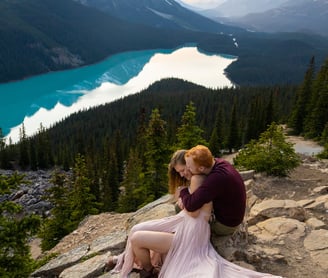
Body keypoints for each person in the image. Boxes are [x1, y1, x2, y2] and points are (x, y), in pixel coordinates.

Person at [107, 149, 191, 277]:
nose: (181, 175)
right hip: (179, 227)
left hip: (185, 233)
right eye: (179, 172)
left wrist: (184, 196)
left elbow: (194, 212)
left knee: (141, 238)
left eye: (182, 170)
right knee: (143, 233)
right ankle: (125, 258)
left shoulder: (197, 184)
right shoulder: (188, 184)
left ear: (190, 164)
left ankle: (146, 269)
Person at [180, 145, 246, 236]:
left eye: (190, 167)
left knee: (181, 209)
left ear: (201, 168)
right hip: (233, 217)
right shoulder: (220, 162)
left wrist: (183, 191)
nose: (188, 169)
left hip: (225, 226)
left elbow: (190, 205)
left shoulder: (216, 178)